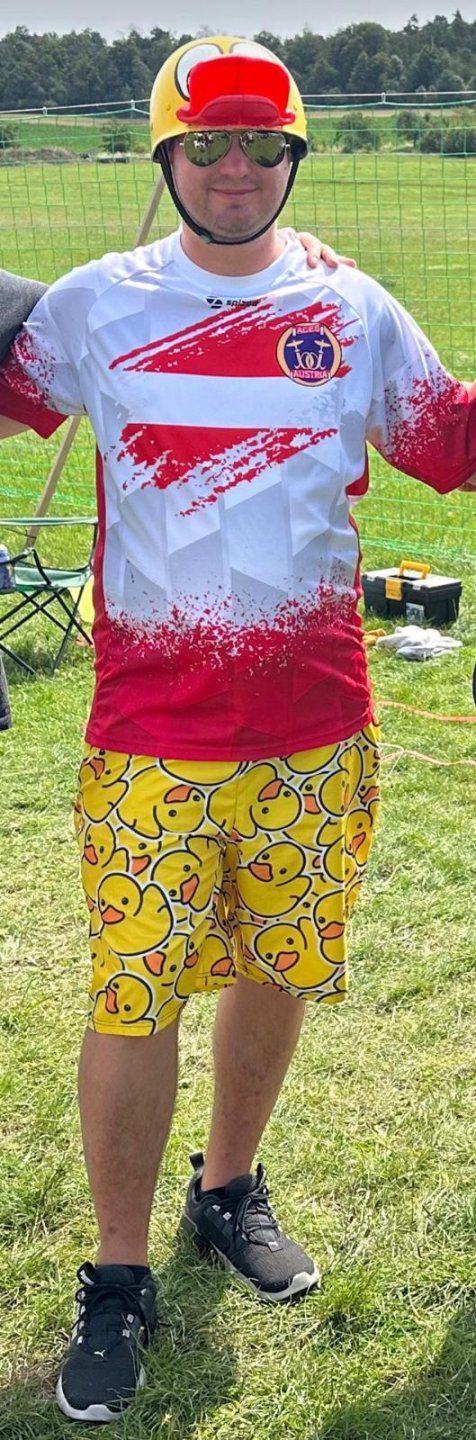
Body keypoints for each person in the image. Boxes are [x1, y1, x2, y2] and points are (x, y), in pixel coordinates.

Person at [0, 35, 474, 1425]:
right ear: (165, 155)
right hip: (150, 736)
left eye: (262, 142)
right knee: (134, 995)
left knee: (276, 969)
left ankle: (227, 1190)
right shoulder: (96, 307)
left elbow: (448, 443)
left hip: (317, 731)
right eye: (205, 141)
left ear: (293, 157)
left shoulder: (352, 305)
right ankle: (116, 1275)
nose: (233, 167)